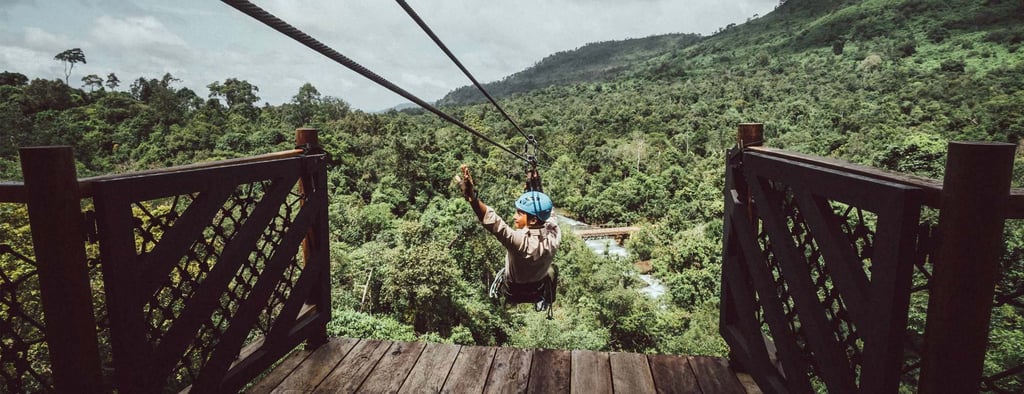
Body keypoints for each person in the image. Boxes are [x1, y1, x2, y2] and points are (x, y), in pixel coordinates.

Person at [455, 164, 560, 291]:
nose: (514, 216)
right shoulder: (555, 233)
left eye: (519, 214)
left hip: (515, 288)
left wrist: (472, 197)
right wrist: (536, 183)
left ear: (533, 220)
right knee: (553, 270)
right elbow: (548, 212)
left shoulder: (521, 243)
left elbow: (493, 222)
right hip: (538, 284)